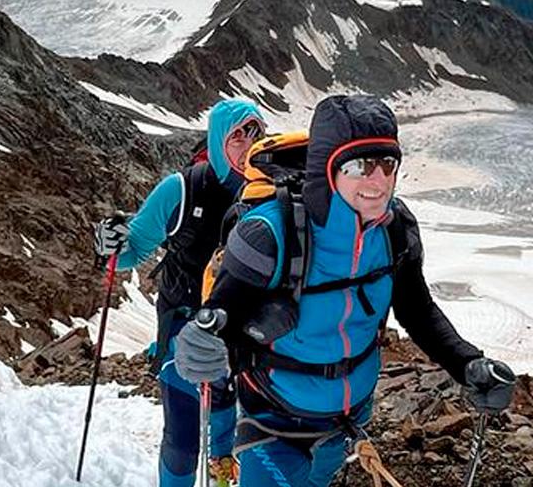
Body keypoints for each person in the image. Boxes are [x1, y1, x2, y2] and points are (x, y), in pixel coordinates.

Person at [174, 94, 517, 487]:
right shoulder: (269, 234)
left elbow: (415, 308)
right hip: (274, 421)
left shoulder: (394, 230)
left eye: (388, 163)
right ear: (327, 169)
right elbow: (220, 318)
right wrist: (200, 345)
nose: (378, 180)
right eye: (359, 165)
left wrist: (467, 363)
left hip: (348, 420)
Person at [94, 97, 266, 487]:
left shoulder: (270, 192)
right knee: (183, 436)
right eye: (237, 134)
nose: (247, 143)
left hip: (240, 330)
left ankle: (222, 476)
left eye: (255, 132)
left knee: (226, 419)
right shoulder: (182, 190)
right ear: (219, 139)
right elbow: (133, 249)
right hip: (182, 325)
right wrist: (110, 244)